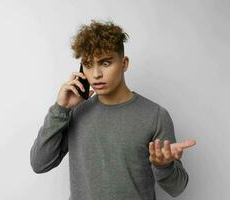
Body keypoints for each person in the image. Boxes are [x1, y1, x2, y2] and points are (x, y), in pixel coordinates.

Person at [30, 19, 196, 200]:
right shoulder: (76, 112)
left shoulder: (155, 116)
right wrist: (60, 109)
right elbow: (40, 164)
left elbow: (178, 187)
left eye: (105, 63)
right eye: (88, 64)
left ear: (124, 63)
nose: (96, 74)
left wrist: (165, 166)